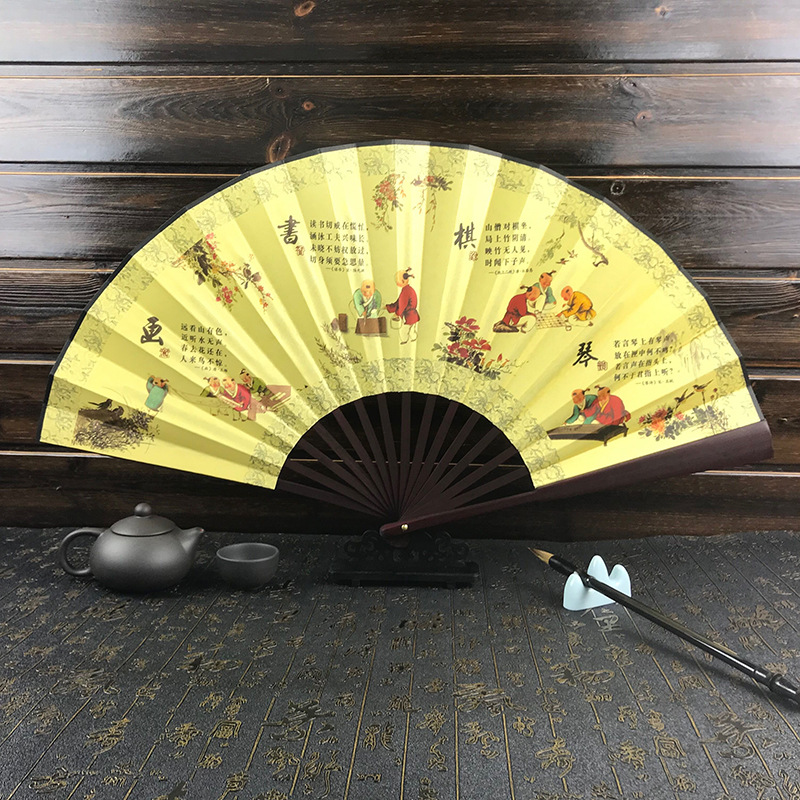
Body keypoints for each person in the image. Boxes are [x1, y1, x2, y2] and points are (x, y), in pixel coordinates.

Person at [386, 269, 419, 344]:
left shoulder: (406, 291)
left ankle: (404, 340)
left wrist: (397, 313)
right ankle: (413, 338)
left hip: (409, 315)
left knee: (404, 330)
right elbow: (399, 303)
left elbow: (402, 305)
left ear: (401, 282)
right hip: (413, 315)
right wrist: (388, 307)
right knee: (411, 329)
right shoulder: (408, 289)